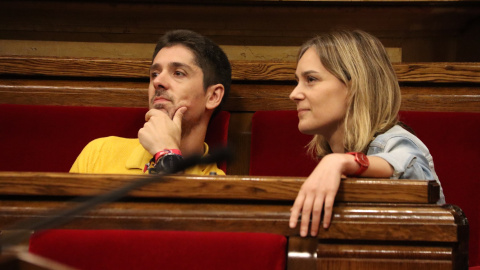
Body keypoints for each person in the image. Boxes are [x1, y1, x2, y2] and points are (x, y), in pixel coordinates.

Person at [288, 29, 445, 237]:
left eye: (311, 79)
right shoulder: (335, 153)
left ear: (355, 87)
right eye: (297, 81)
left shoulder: (393, 140)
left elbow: (411, 165)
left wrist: (343, 161)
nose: (294, 94)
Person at [70, 29, 231, 175]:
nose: (157, 81)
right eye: (154, 73)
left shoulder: (218, 184)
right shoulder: (99, 153)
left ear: (213, 96)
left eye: (178, 73)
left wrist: (167, 155)